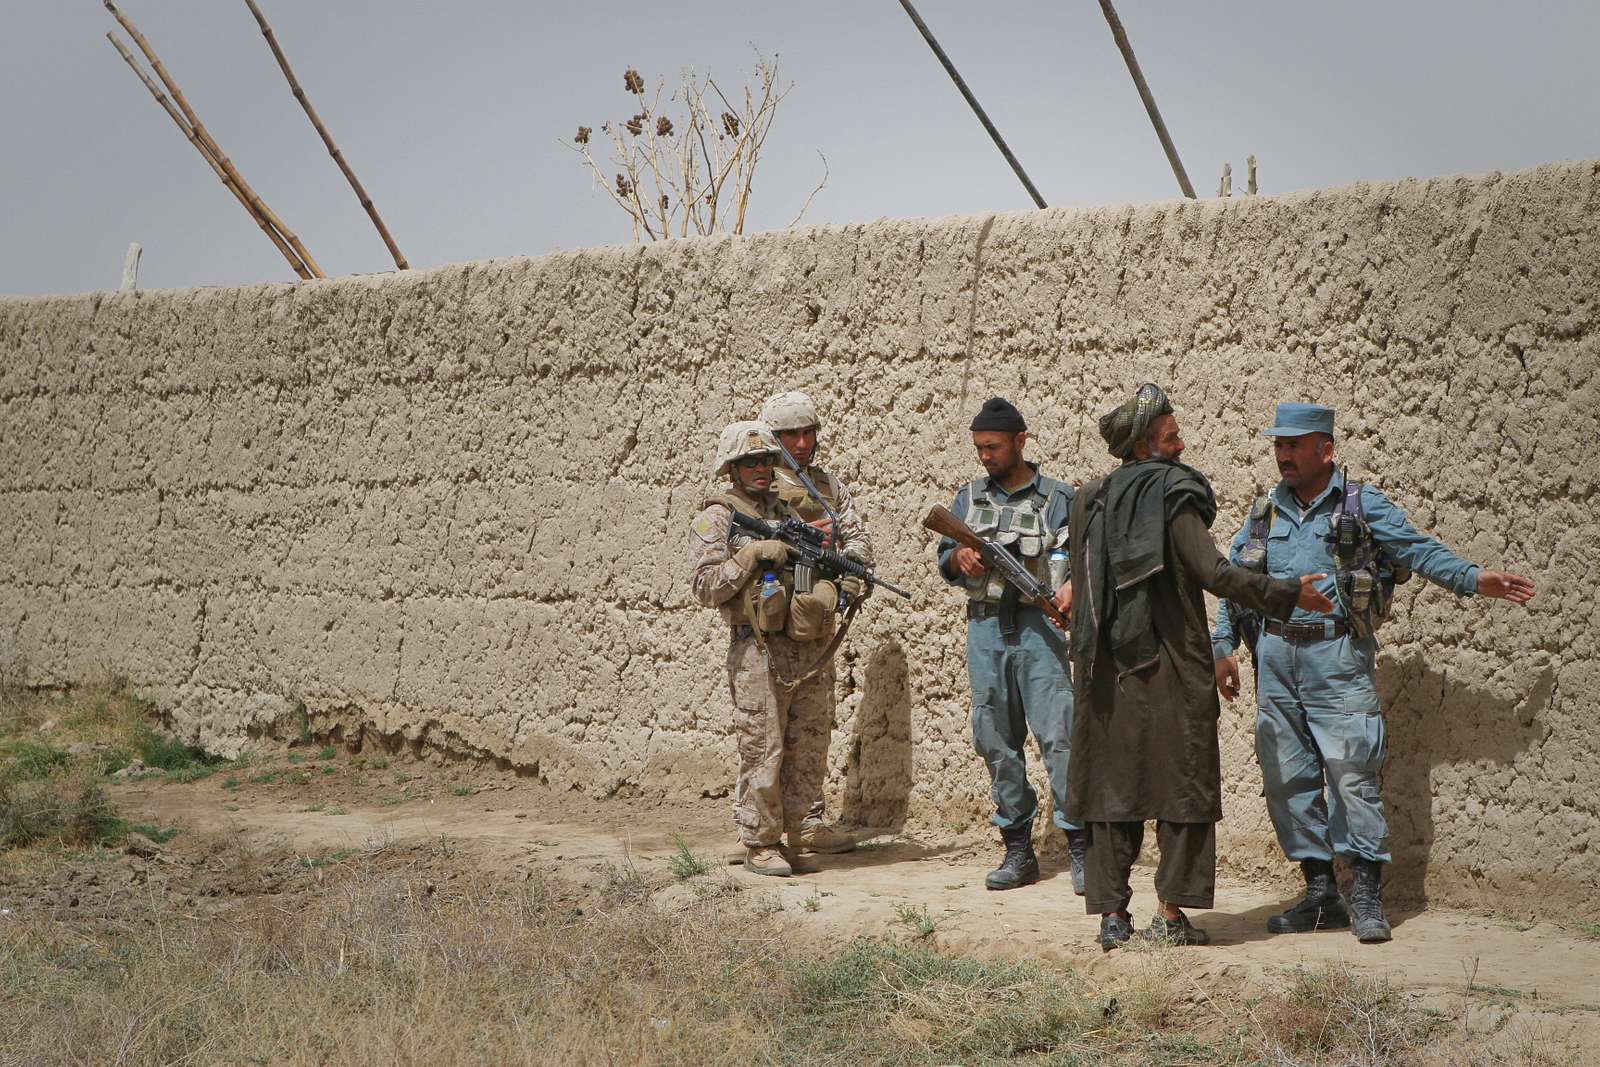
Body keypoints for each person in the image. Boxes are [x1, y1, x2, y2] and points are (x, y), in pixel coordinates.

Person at [1212, 403, 1536, 942]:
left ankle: (1365, 893)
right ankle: (1320, 894)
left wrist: (1473, 578)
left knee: (1350, 773)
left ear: (1326, 450)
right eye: (1278, 445)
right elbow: (1239, 578)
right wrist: (1223, 645)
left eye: (1295, 445)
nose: (1283, 455)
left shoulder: (1362, 506)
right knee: (1286, 778)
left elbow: (1418, 550)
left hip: (1336, 657)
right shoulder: (1264, 511)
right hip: (1273, 655)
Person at [1064, 383, 1332, 951]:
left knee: (1113, 789)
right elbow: (1214, 572)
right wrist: (1287, 593)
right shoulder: (1173, 492)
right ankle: (1169, 916)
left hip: (1104, 671)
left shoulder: (1088, 499)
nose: (1177, 432)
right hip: (1170, 663)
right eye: (1166, 427)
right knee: (1181, 785)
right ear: (1142, 444)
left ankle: (1113, 918)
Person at [934, 397, 1086, 894]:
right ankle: (1018, 848)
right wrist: (961, 558)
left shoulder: (1060, 498)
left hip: (1039, 631)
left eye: (994, 447)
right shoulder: (968, 499)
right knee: (995, 739)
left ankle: (1081, 846)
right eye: (979, 448)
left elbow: (1083, 561)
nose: (985, 457)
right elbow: (945, 558)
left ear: (1021, 441)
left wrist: (1070, 590)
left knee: (1059, 737)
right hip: (985, 630)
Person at [687, 420, 843, 877]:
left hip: (801, 643)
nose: (760, 469)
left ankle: (795, 833)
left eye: (766, 461)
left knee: (808, 742)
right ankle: (759, 842)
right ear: (732, 469)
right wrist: (750, 556)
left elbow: (811, 568)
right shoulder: (717, 517)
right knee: (763, 747)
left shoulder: (789, 512)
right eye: (749, 462)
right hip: (755, 648)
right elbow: (704, 586)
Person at [756, 389, 873, 856]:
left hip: (814, 626)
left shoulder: (829, 487)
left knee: (812, 733)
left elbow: (858, 539)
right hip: (769, 631)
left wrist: (846, 570)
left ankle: (806, 824)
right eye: (791, 435)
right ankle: (759, 833)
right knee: (764, 738)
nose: (802, 444)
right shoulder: (756, 488)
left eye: (808, 433)